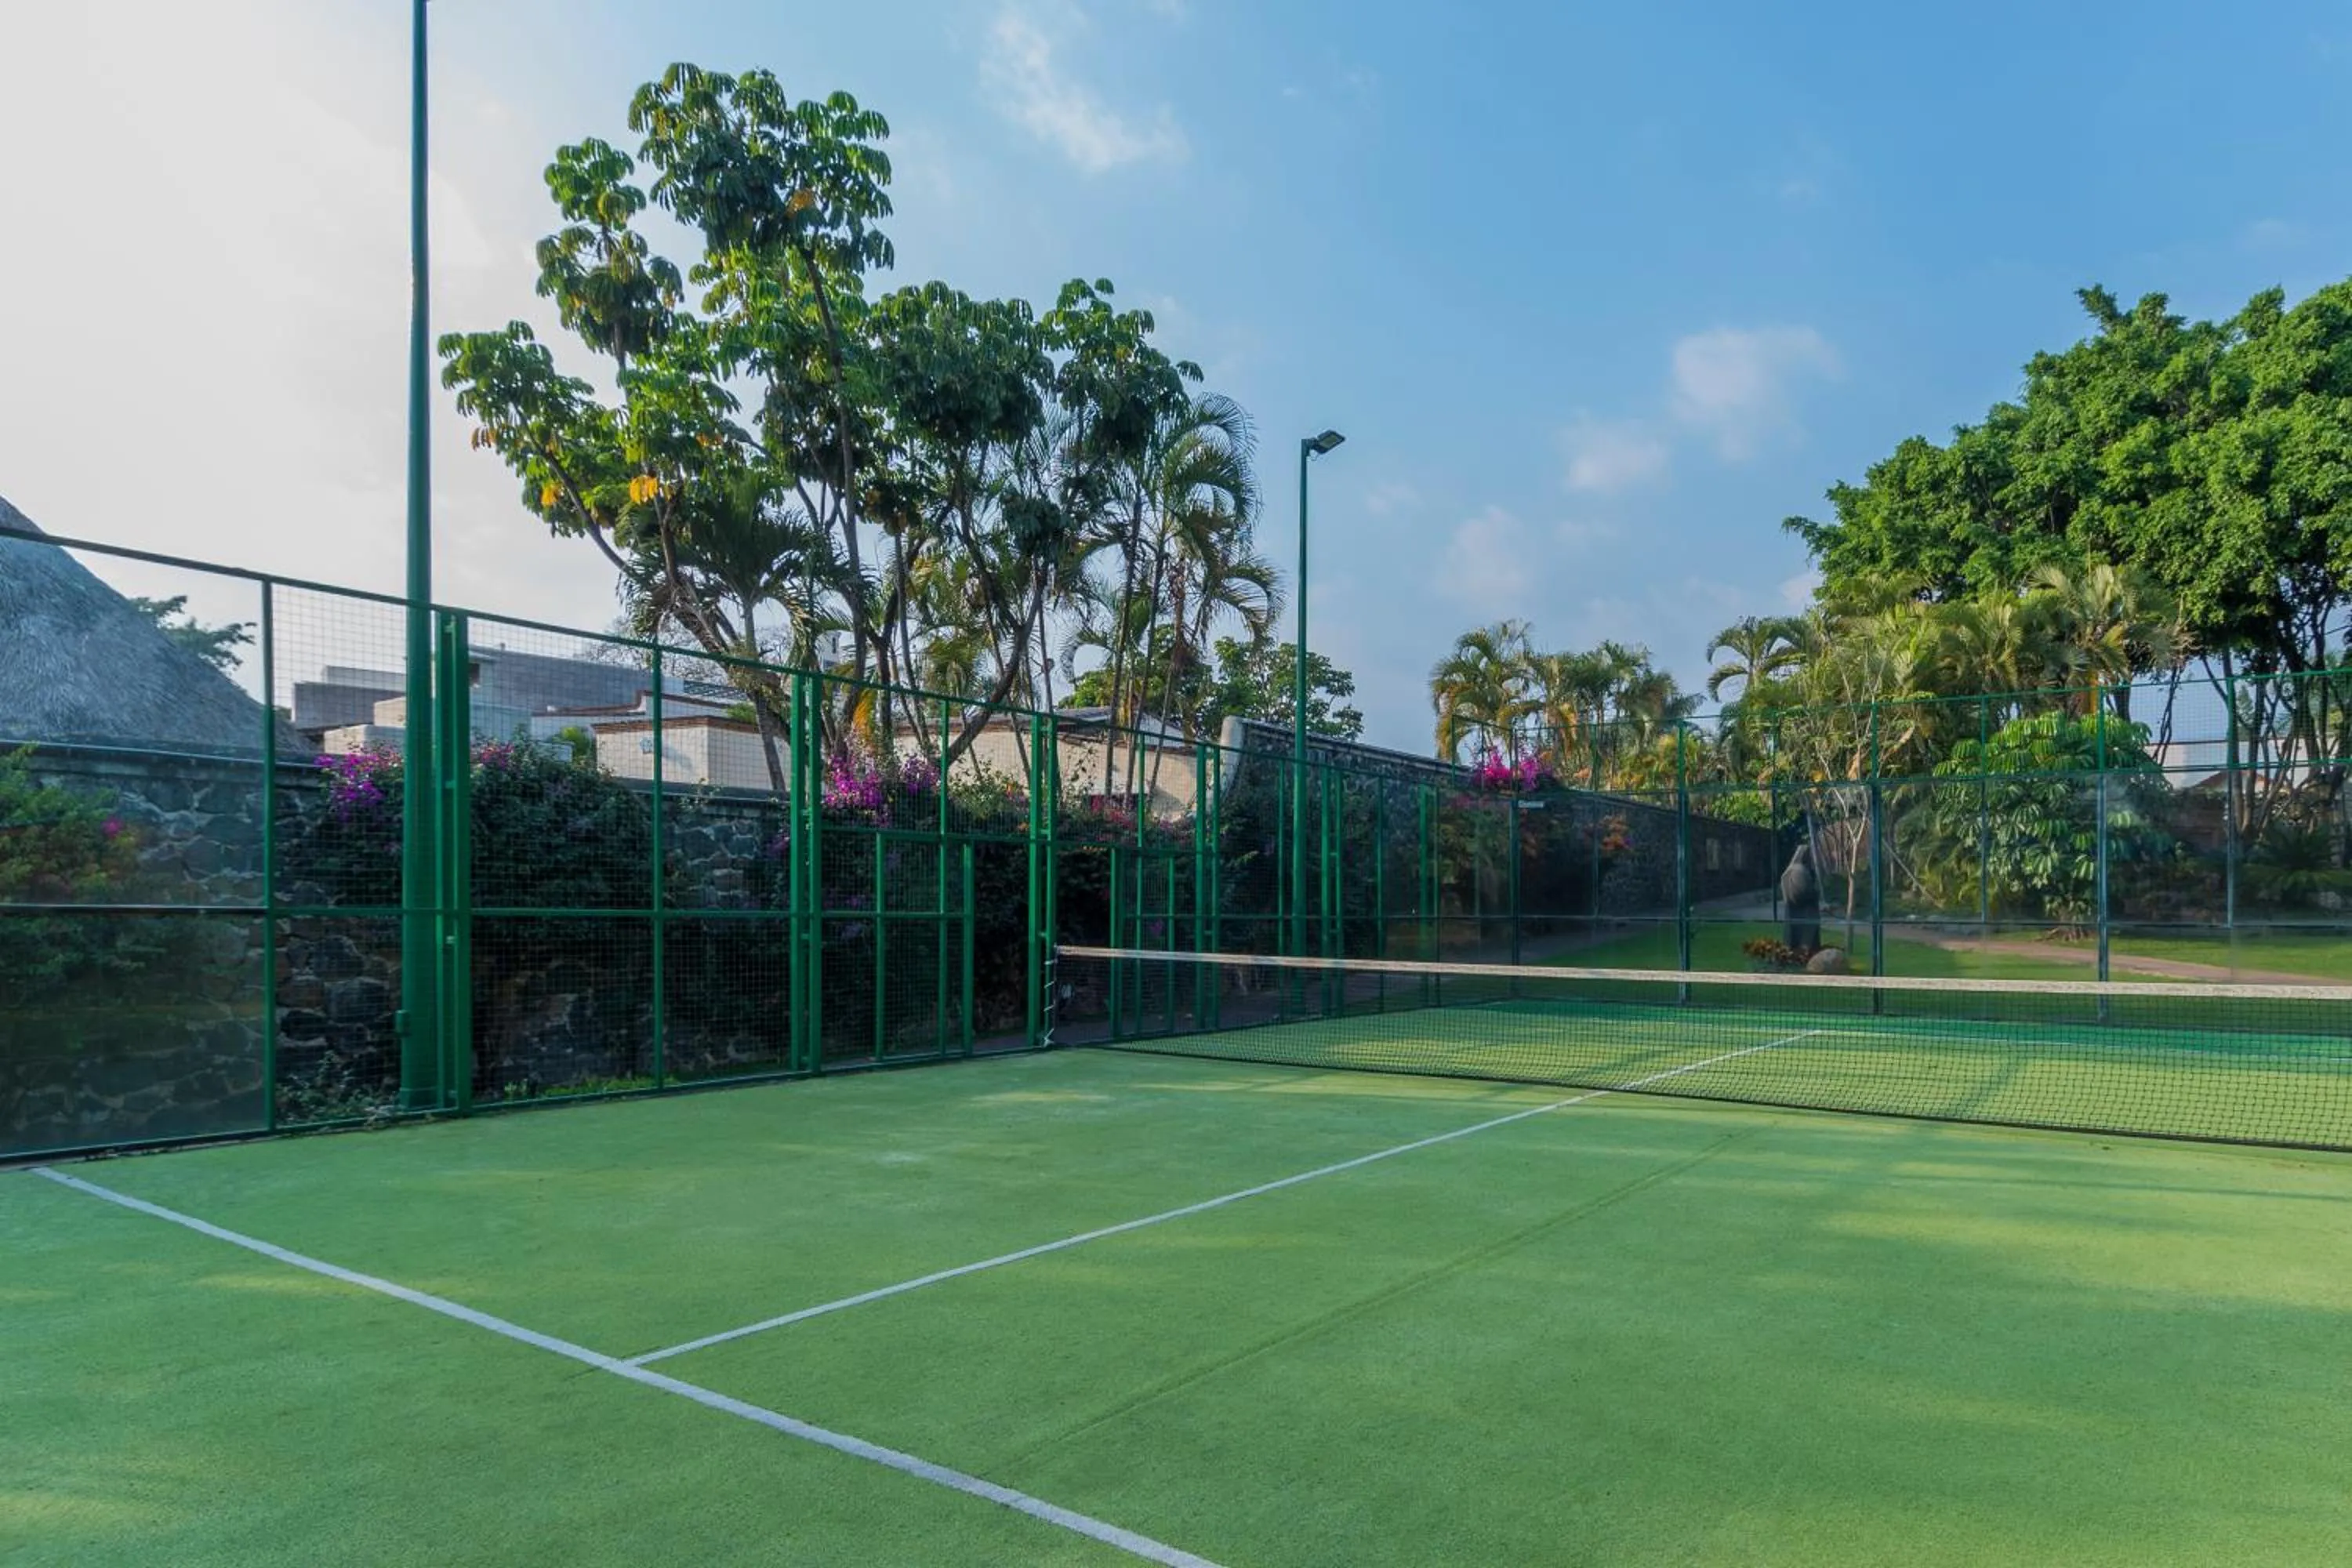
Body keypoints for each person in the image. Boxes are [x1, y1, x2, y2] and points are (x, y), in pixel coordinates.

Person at [1780, 841, 1820, 954]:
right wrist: (1816, 893)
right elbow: (1805, 891)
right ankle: (1807, 951)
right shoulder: (1801, 871)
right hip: (1806, 912)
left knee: (1791, 935)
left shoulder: (1788, 870)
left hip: (1791, 910)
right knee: (1806, 937)